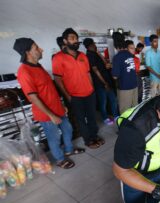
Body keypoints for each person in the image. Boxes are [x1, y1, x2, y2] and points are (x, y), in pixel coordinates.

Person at [13, 38, 85, 169]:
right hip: (46, 114)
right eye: (36, 48)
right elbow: (33, 98)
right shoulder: (24, 71)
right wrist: (51, 115)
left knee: (68, 129)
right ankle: (60, 159)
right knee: (54, 137)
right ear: (28, 52)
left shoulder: (38, 67)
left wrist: (61, 104)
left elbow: (49, 89)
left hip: (57, 108)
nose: (41, 49)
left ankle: (68, 149)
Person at [52, 28, 103, 149]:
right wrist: (68, 96)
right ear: (65, 41)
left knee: (92, 116)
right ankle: (88, 140)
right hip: (75, 96)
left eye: (76, 38)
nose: (75, 41)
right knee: (81, 119)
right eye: (72, 38)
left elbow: (88, 73)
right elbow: (58, 79)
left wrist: (92, 89)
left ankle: (94, 135)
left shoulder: (83, 56)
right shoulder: (58, 58)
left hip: (89, 93)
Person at [83, 38, 119, 125]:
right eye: (94, 44)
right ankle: (105, 118)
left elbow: (106, 63)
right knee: (103, 102)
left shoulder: (95, 53)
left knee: (113, 99)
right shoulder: (89, 56)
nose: (95, 45)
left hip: (107, 80)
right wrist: (104, 83)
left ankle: (115, 115)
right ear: (91, 45)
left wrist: (99, 54)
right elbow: (95, 70)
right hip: (100, 83)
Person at [112, 40, 138, 114]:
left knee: (125, 111)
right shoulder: (130, 55)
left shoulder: (117, 57)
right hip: (134, 85)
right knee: (134, 109)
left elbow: (115, 76)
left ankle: (125, 125)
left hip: (125, 87)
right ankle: (134, 124)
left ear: (116, 47)